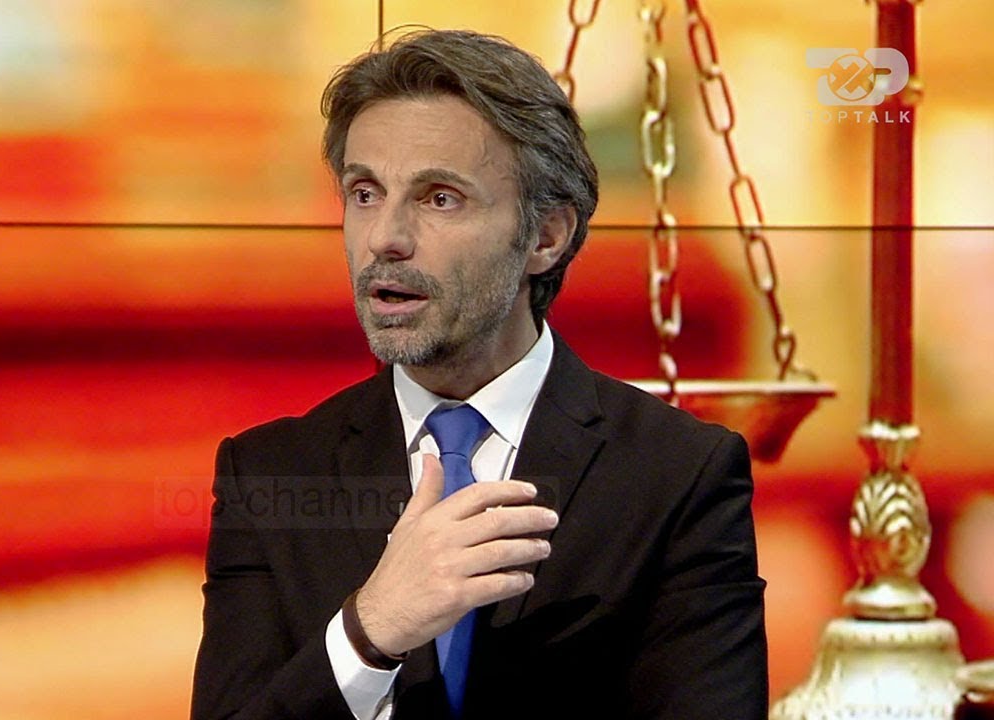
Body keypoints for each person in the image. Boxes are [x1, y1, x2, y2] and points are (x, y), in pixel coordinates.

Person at [191, 28, 767, 720]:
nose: (385, 238)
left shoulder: (680, 474)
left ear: (545, 236)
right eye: (365, 193)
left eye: (439, 198)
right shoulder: (267, 473)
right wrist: (368, 632)